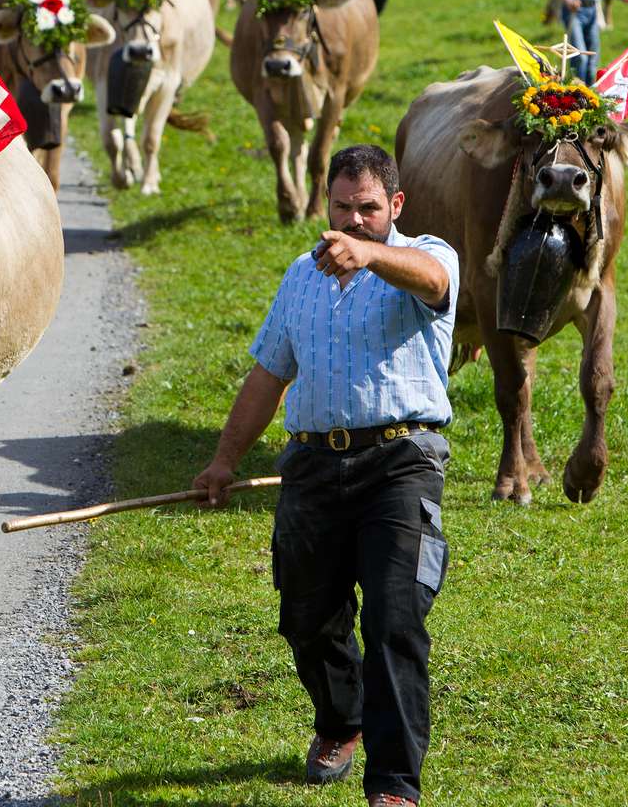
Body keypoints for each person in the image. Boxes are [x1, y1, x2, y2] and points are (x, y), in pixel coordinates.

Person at [193, 144, 458, 807]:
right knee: (306, 618)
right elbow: (267, 375)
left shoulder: (425, 254)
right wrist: (225, 459)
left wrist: (371, 255)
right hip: (311, 465)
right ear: (326, 204)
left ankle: (394, 786)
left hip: (400, 461)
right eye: (343, 207)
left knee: (396, 621)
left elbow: (434, 282)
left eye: (369, 207)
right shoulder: (300, 276)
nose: (355, 219)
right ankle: (342, 722)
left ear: (395, 205)